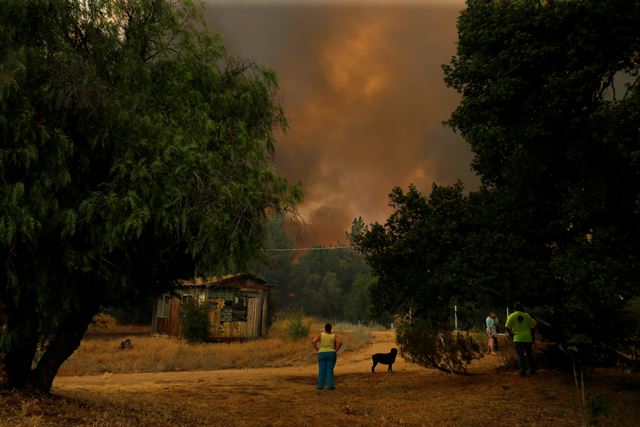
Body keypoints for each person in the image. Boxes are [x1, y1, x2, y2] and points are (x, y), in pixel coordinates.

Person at [505, 302, 536, 377]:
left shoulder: (512, 316)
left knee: (520, 355)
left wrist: (512, 335)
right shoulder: (527, 316)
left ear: (514, 308)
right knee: (529, 354)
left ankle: (522, 371)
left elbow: (507, 327)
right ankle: (532, 369)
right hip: (528, 338)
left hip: (518, 338)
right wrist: (532, 336)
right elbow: (532, 327)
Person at [312, 323, 342, 390]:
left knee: (321, 369)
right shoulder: (334, 336)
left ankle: (320, 386)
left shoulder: (321, 335)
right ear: (331, 329)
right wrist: (336, 349)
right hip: (331, 353)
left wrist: (317, 349)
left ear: (324, 328)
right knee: (329, 369)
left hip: (321, 353)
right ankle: (330, 386)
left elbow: (313, 341)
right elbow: (340, 342)